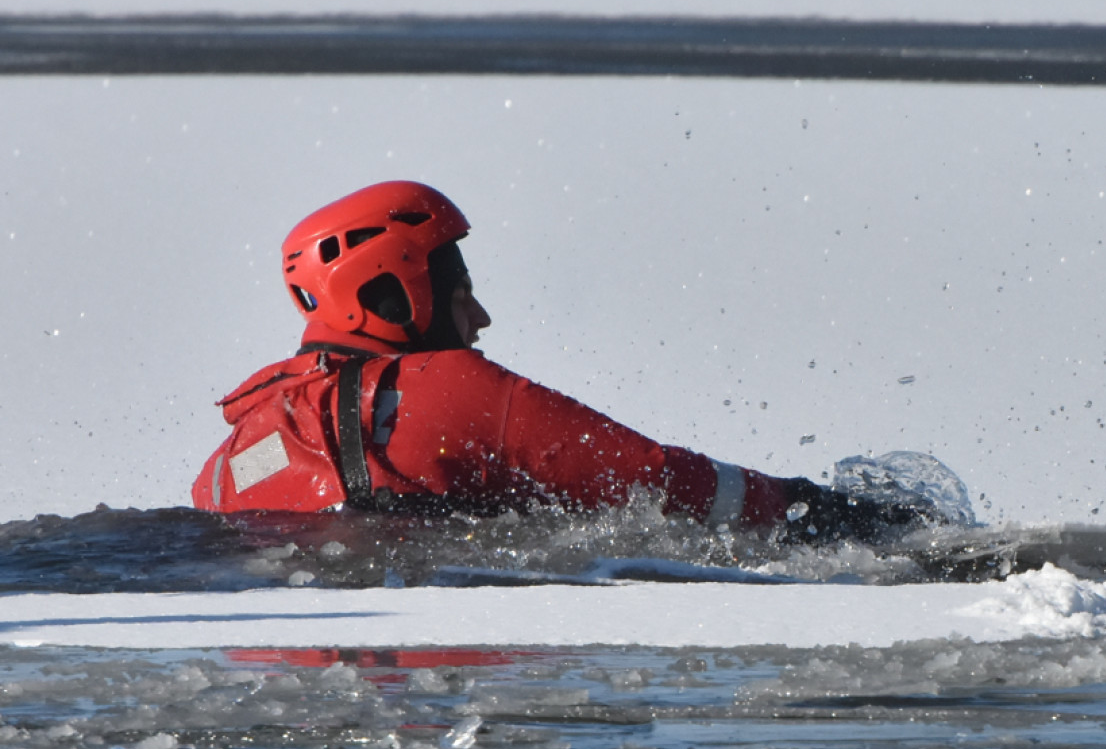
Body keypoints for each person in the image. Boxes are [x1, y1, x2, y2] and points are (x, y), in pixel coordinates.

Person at [193, 180, 920, 543]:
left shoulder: (236, 450)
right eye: (461, 294)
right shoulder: (449, 391)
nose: (479, 318)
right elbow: (654, 481)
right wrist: (821, 511)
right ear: (398, 289)